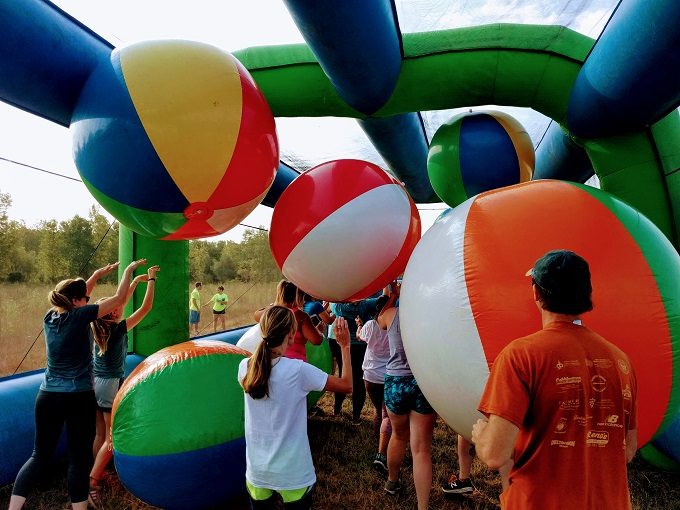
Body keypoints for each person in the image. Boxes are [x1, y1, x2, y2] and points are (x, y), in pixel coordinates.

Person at [472, 250, 638, 509]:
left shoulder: (520, 356)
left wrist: (481, 436)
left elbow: (494, 455)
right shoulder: (620, 361)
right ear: (586, 296)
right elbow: (627, 449)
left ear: (537, 294)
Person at [9, 259, 147, 510]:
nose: (87, 299)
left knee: (39, 456)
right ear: (75, 301)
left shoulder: (50, 316)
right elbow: (118, 299)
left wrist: (94, 275)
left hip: (46, 395)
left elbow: (79, 296)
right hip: (77, 396)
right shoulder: (81, 316)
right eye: (84, 297)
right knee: (78, 458)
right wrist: (129, 271)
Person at [238, 306, 353, 510]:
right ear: (292, 335)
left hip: (258, 472)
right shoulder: (298, 371)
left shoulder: (245, 367)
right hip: (293, 473)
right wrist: (345, 346)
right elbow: (347, 386)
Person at [88, 264, 160, 505]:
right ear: (112, 314)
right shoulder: (117, 329)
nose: (120, 306)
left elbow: (121, 300)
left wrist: (134, 283)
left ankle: (99, 469)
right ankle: (94, 481)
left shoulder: (95, 326)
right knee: (111, 437)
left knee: (100, 432)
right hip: (108, 385)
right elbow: (146, 308)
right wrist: (151, 281)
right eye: (117, 307)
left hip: (96, 383)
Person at [378, 282, 436, 510]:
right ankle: (423, 506)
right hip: (422, 382)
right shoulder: (430, 318)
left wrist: (392, 296)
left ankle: (392, 482)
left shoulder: (391, 314)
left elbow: (380, 321)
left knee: (399, 436)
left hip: (395, 383)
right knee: (421, 448)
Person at [330, 295, 381, 422]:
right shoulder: (367, 305)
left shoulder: (338, 307)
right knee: (359, 380)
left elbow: (331, 299)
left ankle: (337, 410)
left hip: (343, 345)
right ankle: (356, 416)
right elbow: (383, 299)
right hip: (360, 346)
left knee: (342, 375)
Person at [357, 294, 391, 474]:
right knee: (387, 414)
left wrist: (358, 326)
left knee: (378, 411)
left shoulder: (370, 326)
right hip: (388, 375)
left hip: (370, 375)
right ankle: (383, 447)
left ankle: (376, 440)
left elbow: (360, 337)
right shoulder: (394, 325)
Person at [254, 280, 322, 362]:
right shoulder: (301, 317)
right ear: (298, 296)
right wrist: (318, 331)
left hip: (273, 359)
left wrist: (274, 305)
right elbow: (316, 340)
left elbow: (256, 316)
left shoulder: (271, 313)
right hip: (296, 362)